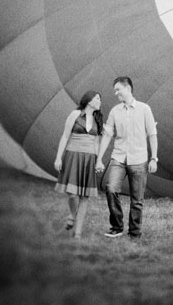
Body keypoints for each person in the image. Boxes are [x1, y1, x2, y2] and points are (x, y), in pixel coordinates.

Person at [95, 76, 158, 239]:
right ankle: (117, 227)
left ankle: (134, 232)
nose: (116, 93)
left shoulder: (145, 109)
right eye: (115, 90)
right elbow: (108, 135)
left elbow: (152, 134)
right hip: (119, 158)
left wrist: (154, 158)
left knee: (137, 199)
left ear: (128, 88)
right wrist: (99, 158)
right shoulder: (115, 111)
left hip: (139, 160)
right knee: (111, 188)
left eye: (118, 89)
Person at [54, 90, 103, 239]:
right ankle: (72, 213)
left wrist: (97, 161)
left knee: (85, 197)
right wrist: (58, 158)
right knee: (72, 194)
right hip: (73, 155)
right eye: (97, 98)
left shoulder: (98, 120)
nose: (100, 101)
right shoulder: (75, 115)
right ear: (89, 101)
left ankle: (78, 233)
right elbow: (65, 136)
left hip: (89, 159)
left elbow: (97, 143)